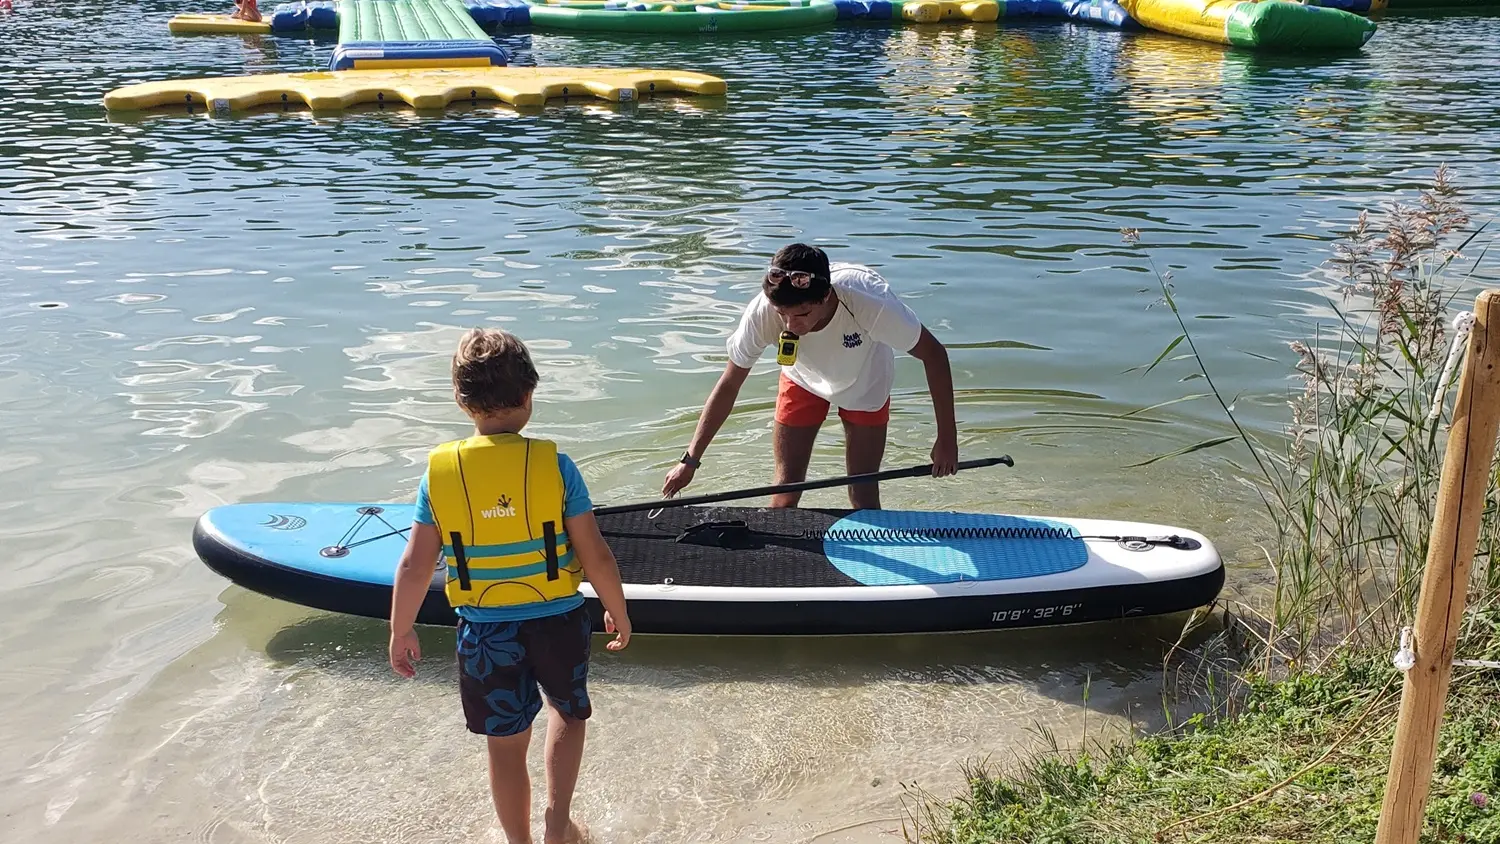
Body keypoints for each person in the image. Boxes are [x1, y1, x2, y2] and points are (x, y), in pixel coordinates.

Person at [388, 328, 631, 844]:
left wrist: (400, 628)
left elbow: (413, 565)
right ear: (528, 395)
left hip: (483, 632)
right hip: (558, 619)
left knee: (504, 744)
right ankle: (557, 822)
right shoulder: (558, 467)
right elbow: (596, 555)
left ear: (461, 399)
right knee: (567, 712)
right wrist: (618, 608)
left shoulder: (439, 475)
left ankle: (518, 841)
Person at [661, 243, 958, 509]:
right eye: (782, 313)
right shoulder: (763, 311)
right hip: (801, 380)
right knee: (785, 492)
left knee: (862, 494)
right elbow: (729, 384)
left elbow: (935, 355)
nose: (791, 324)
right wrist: (690, 460)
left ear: (826, 296)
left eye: (801, 315)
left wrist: (946, 438)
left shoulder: (871, 303)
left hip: (865, 383)